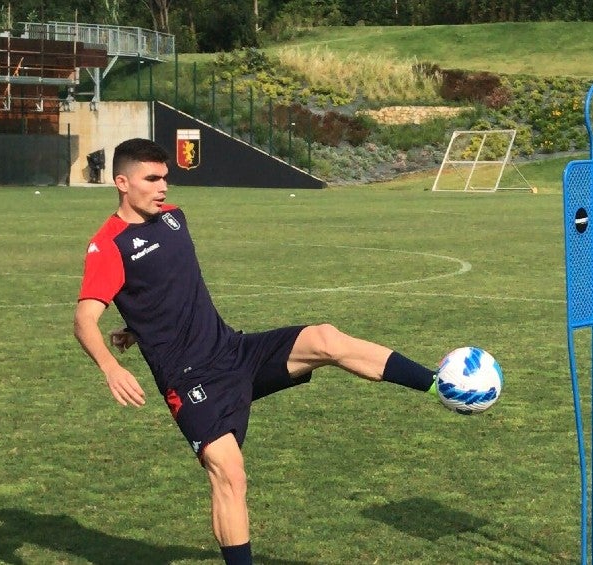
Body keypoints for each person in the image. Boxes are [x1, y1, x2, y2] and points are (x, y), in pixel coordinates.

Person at [73, 138, 439, 565]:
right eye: (151, 179)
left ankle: (439, 385)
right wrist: (110, 367)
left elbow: (167, 285)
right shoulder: (108, 245)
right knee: (230, 476)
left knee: (326, 338)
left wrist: (139, 325)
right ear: (122, 182)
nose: (163, 187)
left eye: (165, 178)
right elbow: (83, 320)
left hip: (234, 351)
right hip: (191, 382)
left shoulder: (174, 219)